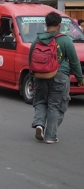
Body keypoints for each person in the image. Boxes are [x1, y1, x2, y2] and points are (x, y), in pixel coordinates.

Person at [30, 12, 83, 144]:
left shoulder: (37, 40)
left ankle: (39, 125)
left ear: (46, 24)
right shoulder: (65, 40)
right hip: (60, 76)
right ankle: (50, 136)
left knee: (41, 102)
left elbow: (30, 61)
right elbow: (74, 62)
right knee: (55, 106)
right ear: (59, 25)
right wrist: (80, 79)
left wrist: (32, 80)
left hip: (39, 76)